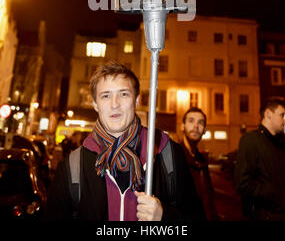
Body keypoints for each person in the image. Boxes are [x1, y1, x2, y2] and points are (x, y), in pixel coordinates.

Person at [45, 60, 205, 221]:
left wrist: (164, 216)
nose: (115, 104)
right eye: (106, 96)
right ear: (95, 104)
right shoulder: (72, 166)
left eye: (123, 94)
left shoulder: (168, 153)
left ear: (136, 100)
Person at [235, 97, 285, 220]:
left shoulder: (280, 143)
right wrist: (273, 193)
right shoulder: (250, 140)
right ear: (268, 114)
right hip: (264, 215)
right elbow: (242, 182)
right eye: (282, 115)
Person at [181, 107, 219, 221]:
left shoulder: (201, 162)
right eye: (191, 121)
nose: (196, 126)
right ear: (182, 126)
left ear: (205, 130)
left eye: (200, 122)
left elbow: (208, 199)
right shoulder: (173, 157)